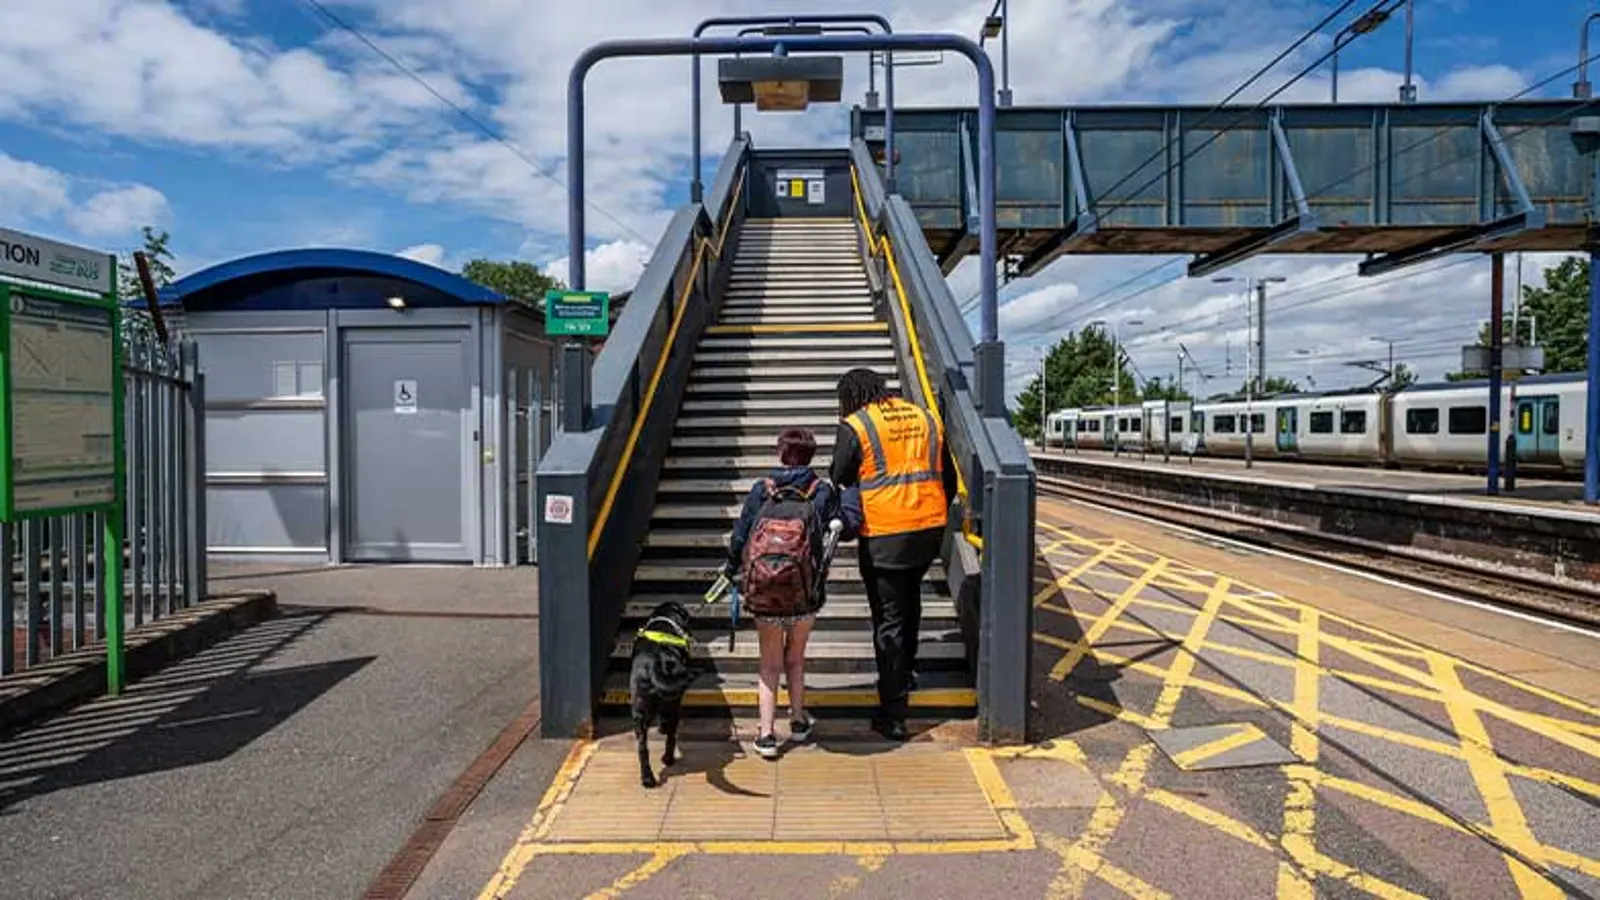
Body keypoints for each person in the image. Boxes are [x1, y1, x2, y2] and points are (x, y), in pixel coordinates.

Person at [830, 368, 958, 741]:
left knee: (888, 622)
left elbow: (839, 473)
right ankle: (906, 673)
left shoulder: (856, 424)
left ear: (849, 396)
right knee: (909, 605)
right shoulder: (925, 417)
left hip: (885, 535)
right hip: (928, 530)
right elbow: (946, 476)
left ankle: (893, 712)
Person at [725, 428, 843, 759]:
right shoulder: (821, 491)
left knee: (769, 664)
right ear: (811, 455)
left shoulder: (763, 490)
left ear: (780, 453)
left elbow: (742, 533)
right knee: (795, 658)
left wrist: (730, 568)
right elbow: (836, 532)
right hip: (804, 591)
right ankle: (798, 719)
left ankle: (765, 734)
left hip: (764, 589)